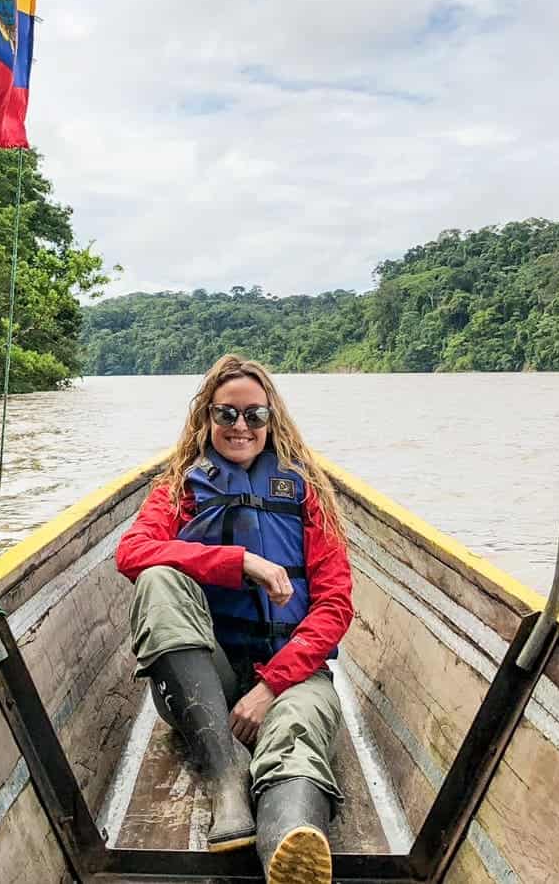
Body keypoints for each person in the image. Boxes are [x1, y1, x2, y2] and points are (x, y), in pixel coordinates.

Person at [116, 354, 354, 883]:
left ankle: (289, 850)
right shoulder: (179, 489)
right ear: (206, 420)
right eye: (227, 415)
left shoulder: (307, 495)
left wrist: (272, 685)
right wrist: (237, 562)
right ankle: (226, 776)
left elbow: (336, 606)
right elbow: (132, 552)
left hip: (291, 673)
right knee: (158, 578)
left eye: (254, 416)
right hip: (205, 681)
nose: (241, 427)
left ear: (272, 422)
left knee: (297, 731)